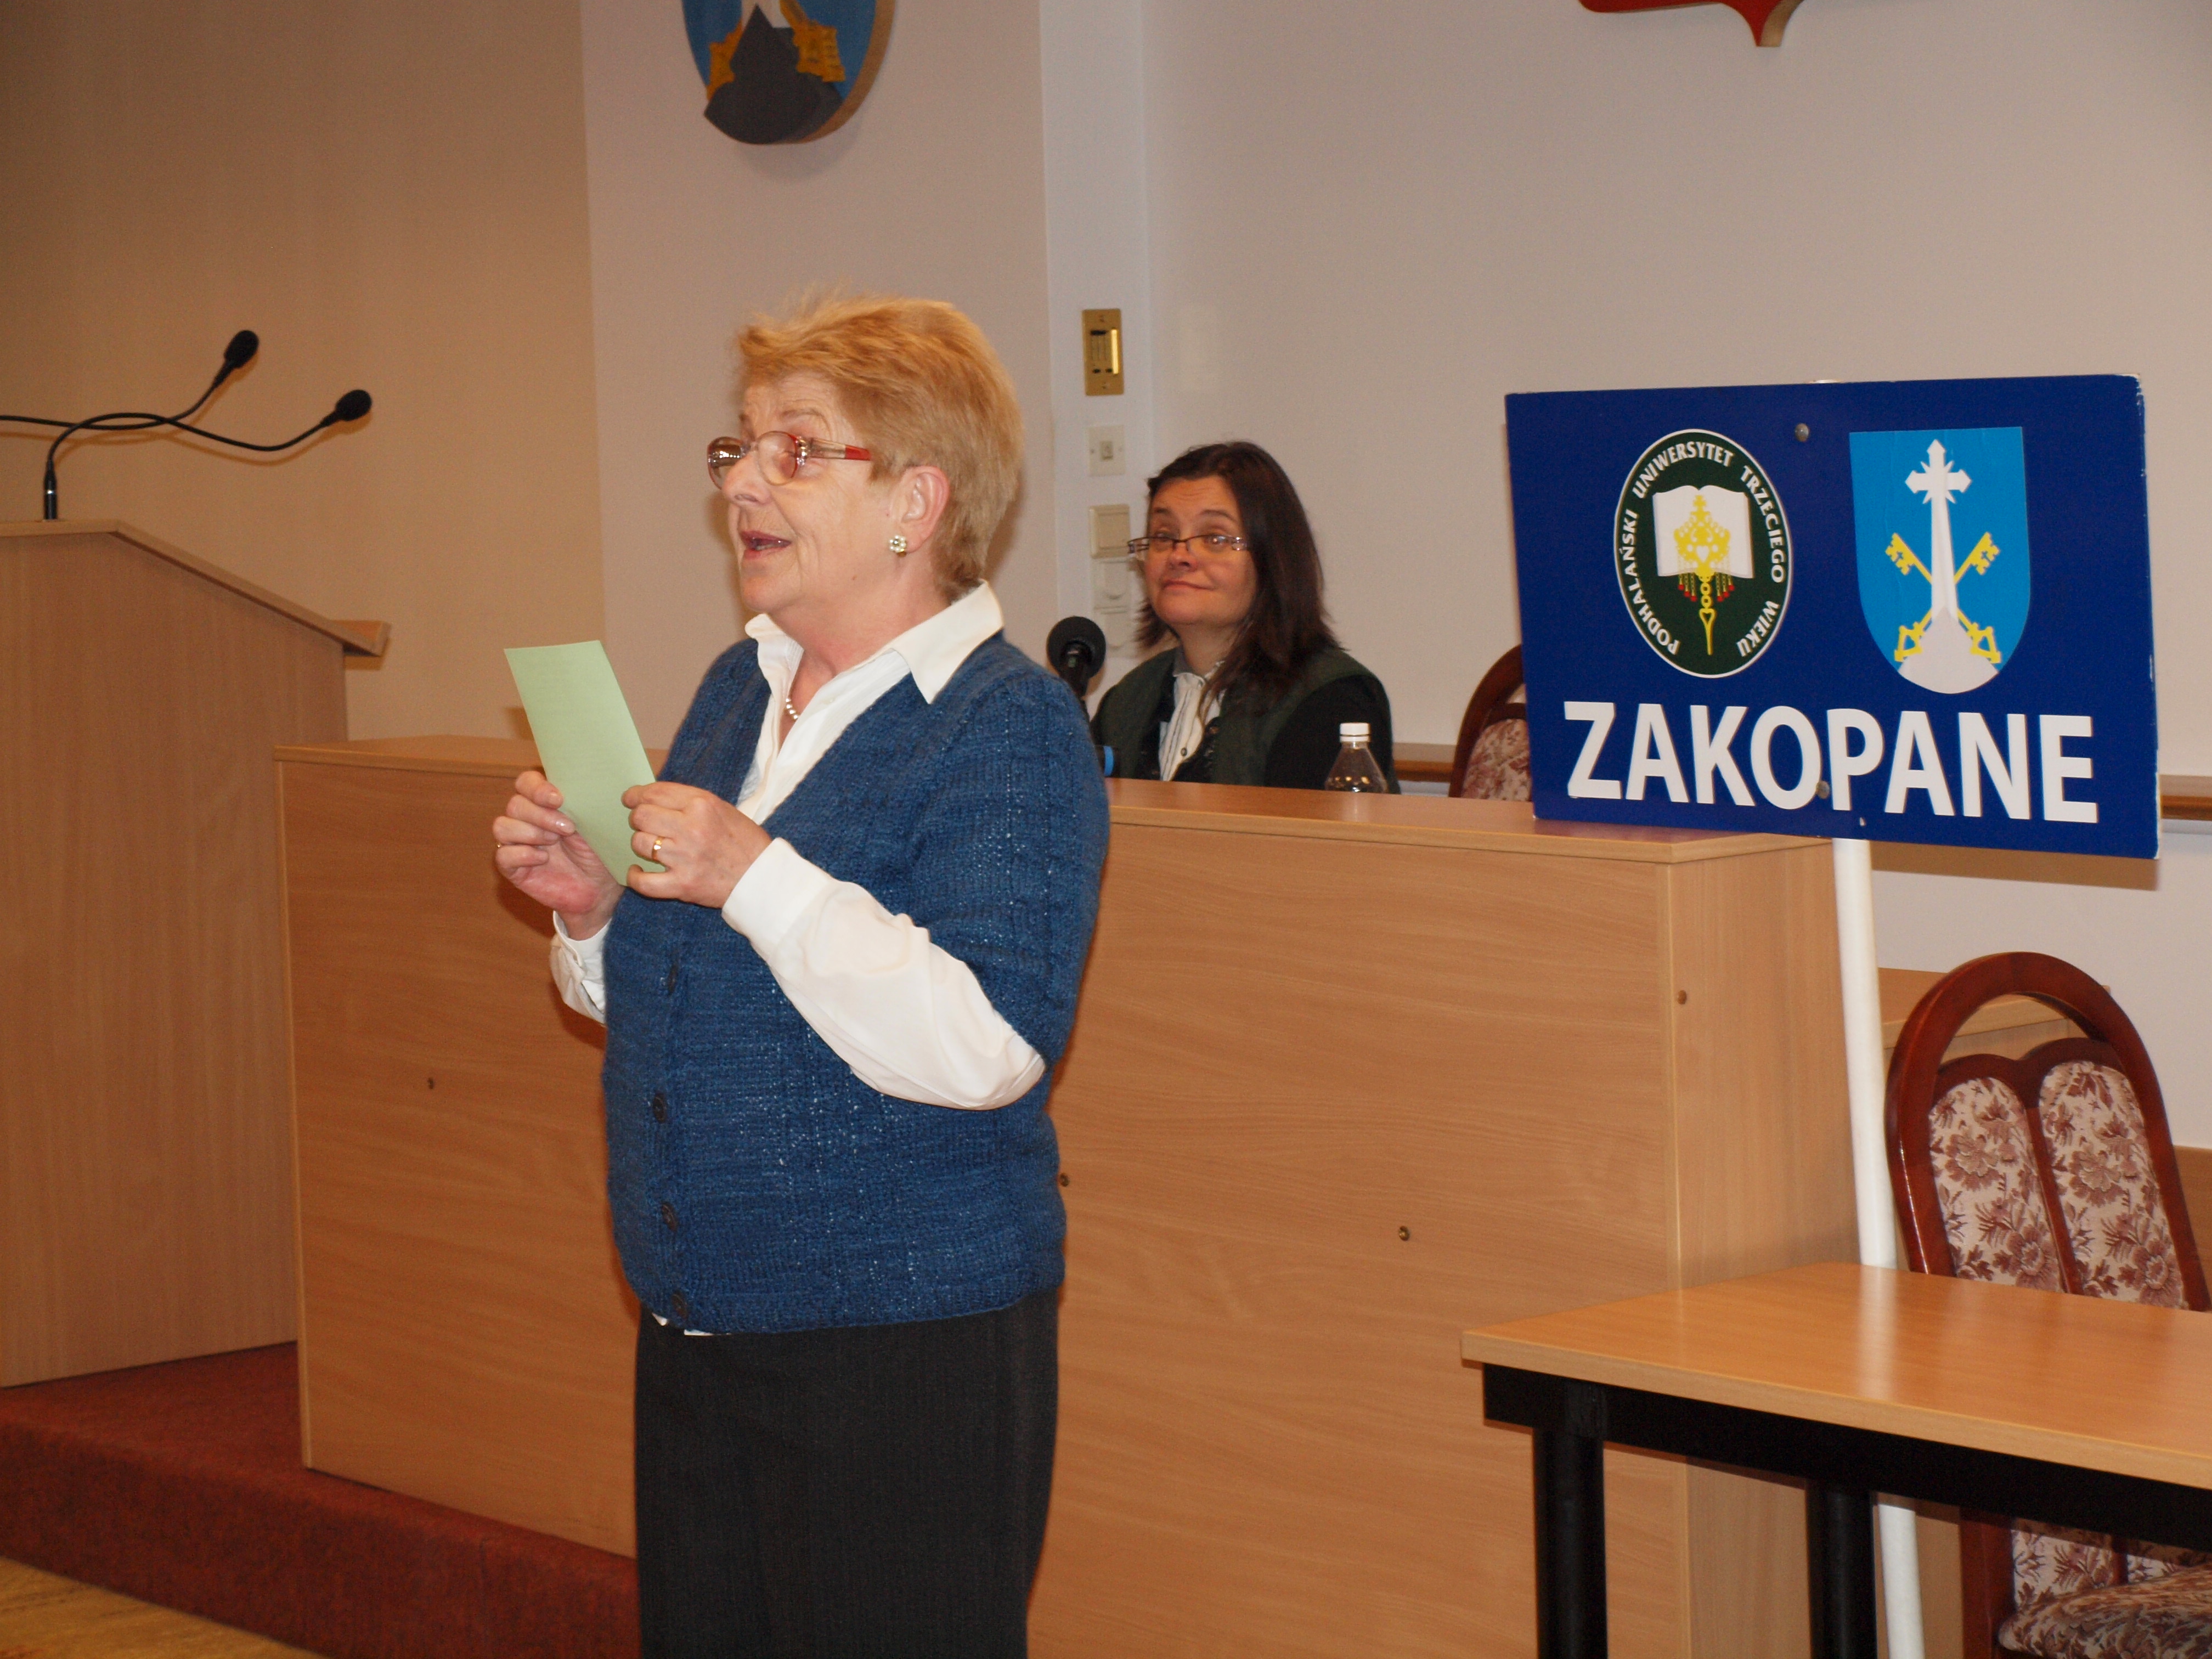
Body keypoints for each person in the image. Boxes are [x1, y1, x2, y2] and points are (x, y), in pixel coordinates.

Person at [492, 294, 1108, 1658]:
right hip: (700, 1323)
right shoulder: (741, 683)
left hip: (903, 1345)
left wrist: (755, 873)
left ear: (915, 504)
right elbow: (695, 988)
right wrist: (594, 916)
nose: (743, 485)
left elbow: (990, 1045)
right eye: (741, 447)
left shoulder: (1006, 726)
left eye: (799, 451)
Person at [1091, 441, 1397, 789]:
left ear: (1274, 559)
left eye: (1215, 538)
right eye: (1164, 536)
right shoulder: (1128, 701)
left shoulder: (1330, 698)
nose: (1179, 556)